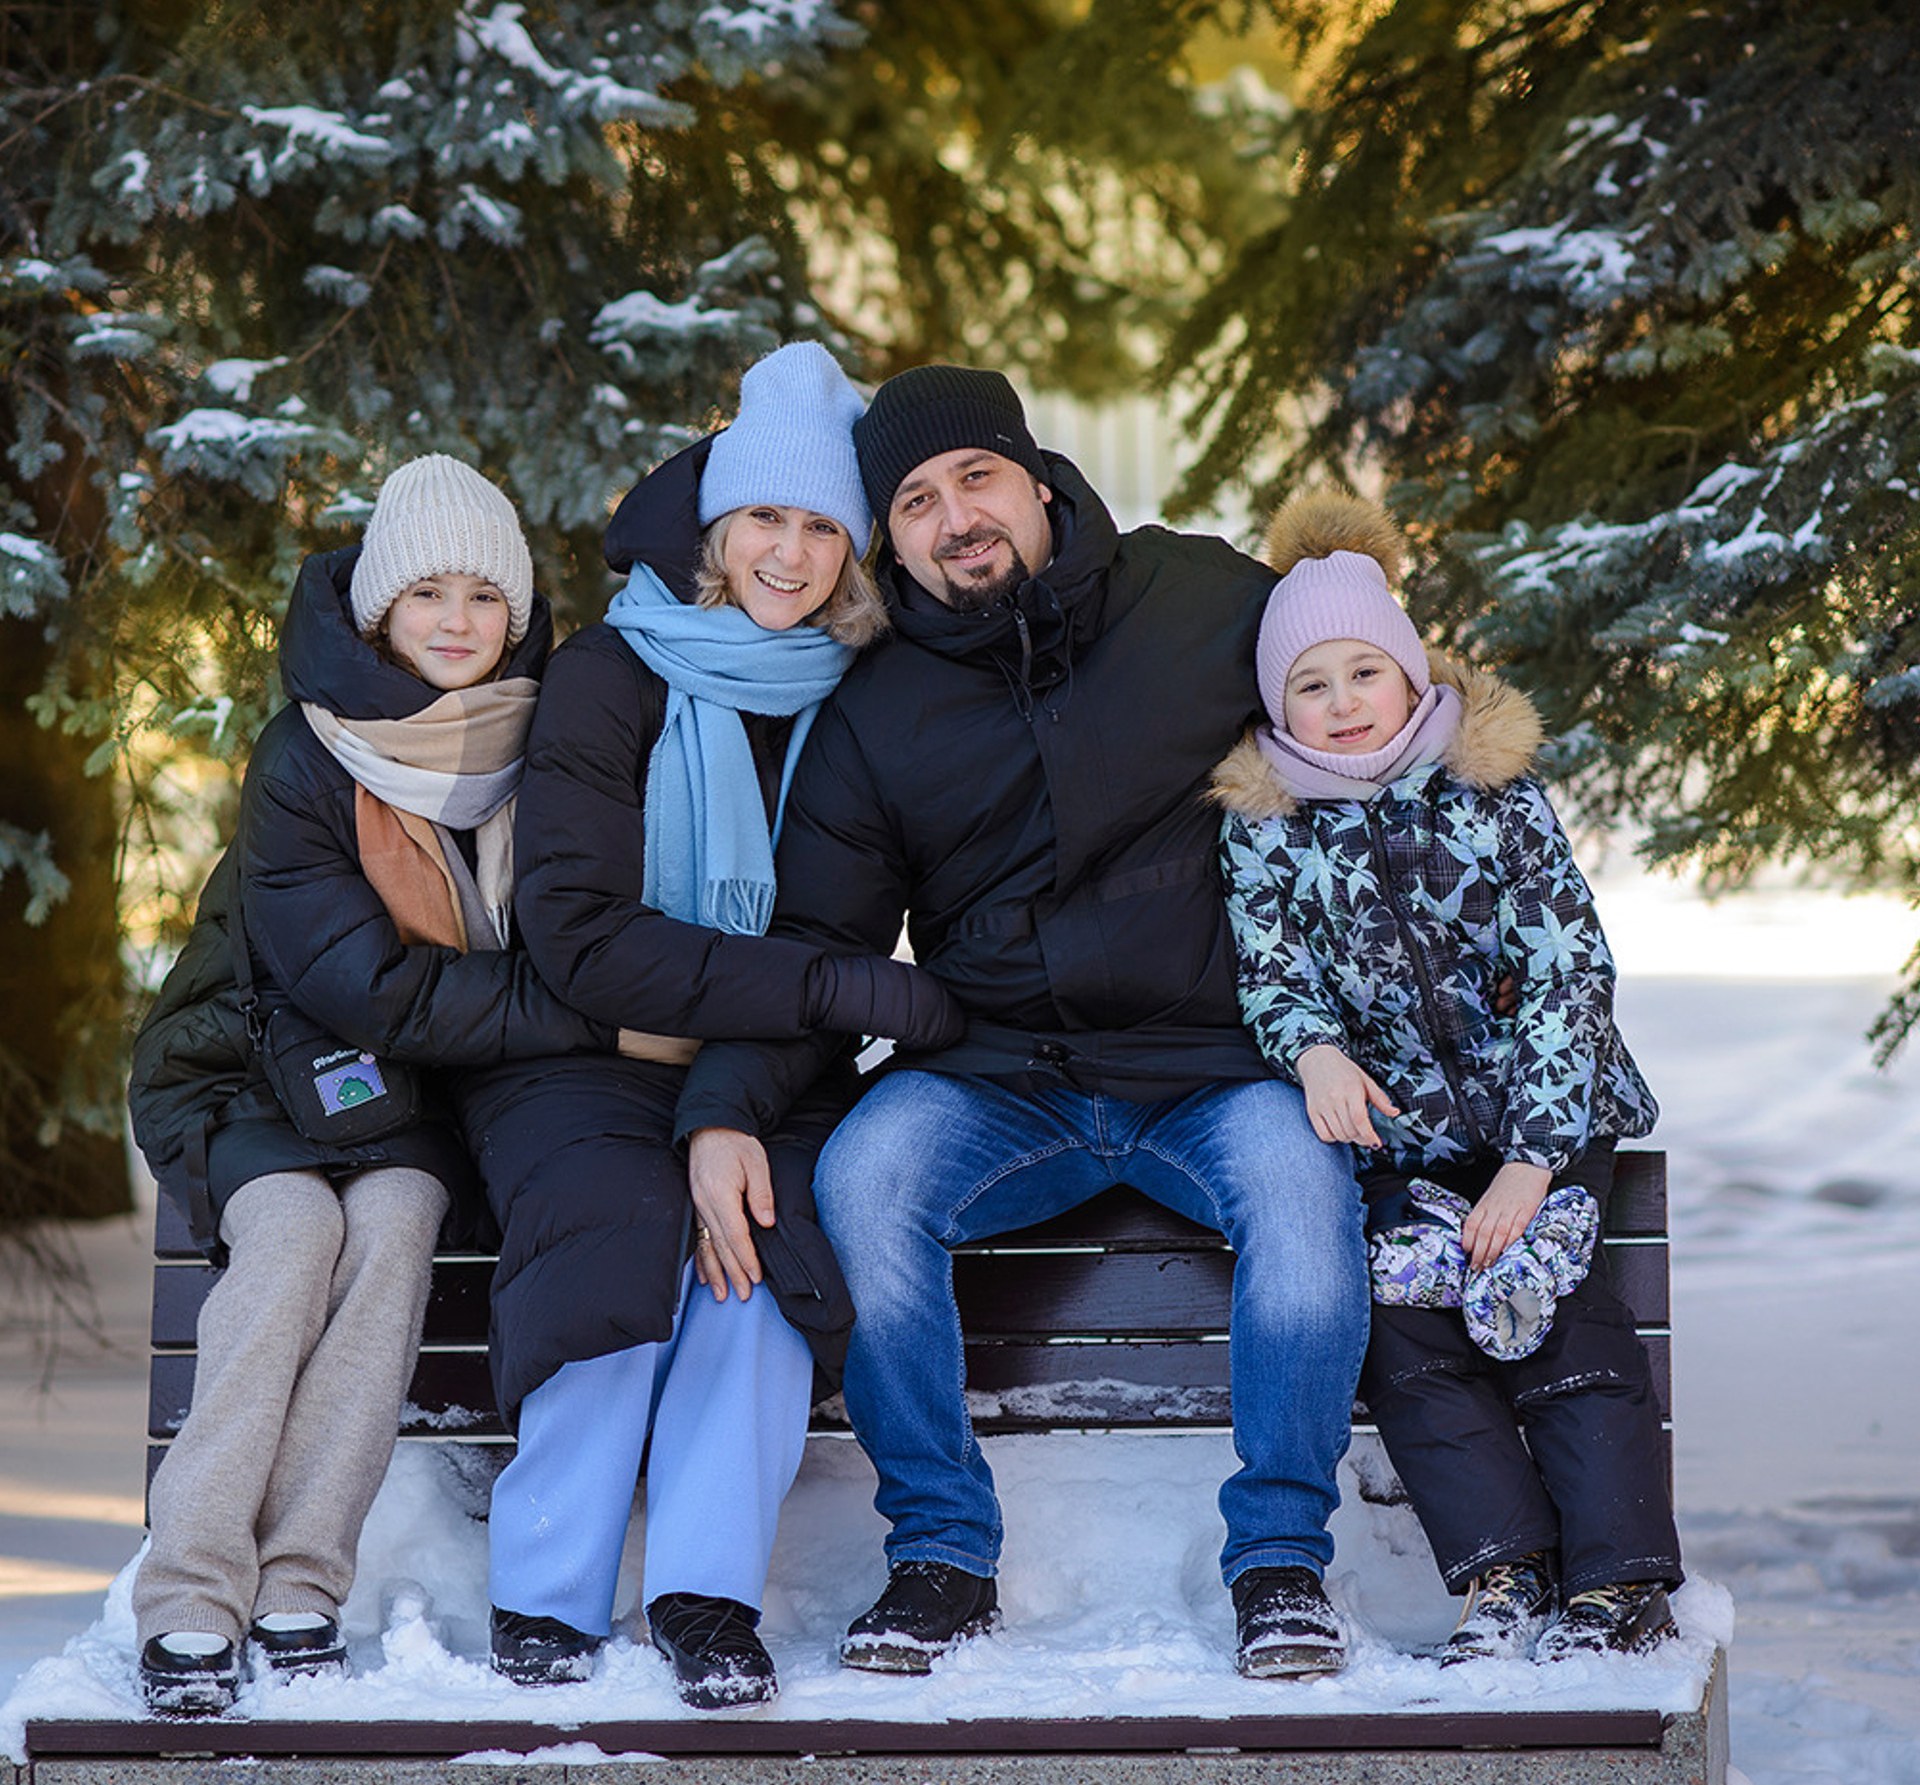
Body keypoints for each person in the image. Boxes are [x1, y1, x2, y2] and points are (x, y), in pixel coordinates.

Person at [674, 364, 1372, 1682]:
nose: (956, 519)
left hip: (1220, 1069)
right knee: (867, 1173)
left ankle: (1280, 1557)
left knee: (1300, 1183)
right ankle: (940, 1551)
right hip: (1002, 1079)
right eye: (917, 503)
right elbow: (815, 949)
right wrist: (721, 1107)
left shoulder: (1205, 603)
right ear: (894, 538)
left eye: (975, 479)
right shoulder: (876, 709)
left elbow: (1370, 707)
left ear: (1036, 477)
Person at [461, 341, 963, 1710]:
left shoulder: (856, 699)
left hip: (762, 1072)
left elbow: (835, 923)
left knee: (754, 1260)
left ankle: (705, 1597)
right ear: (714, 530)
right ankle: (547, 1595)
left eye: (820, 528)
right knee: (617, 1235)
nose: (789, 554)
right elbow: (583, 939)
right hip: (574, 1062)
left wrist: (728, 1097)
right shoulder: (612, 677)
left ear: (854, 553)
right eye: (764, 520)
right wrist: (840, 990)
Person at [126, 455, 614, 1716]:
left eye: (482, 596)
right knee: (290, 1239)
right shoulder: (309, 752)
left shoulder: (552, 735)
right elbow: (362, 984)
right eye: (426, 595)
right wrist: (570, 1013)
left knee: (394, 1231)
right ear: (377, 613)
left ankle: (300, 1581)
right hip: (251, 1066)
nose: (456, 622)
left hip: (414, 1096)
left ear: (517, 611)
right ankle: (188, 1591)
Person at [1211, 487, 1683, 1663]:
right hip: (1402, 1140)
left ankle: (1617, 1581)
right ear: (1279, 704)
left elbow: (1570, 965)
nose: (1341, 704)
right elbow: (1270, 971)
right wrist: (1312, 1049)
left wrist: (1533, 1162)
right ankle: (1506, 1572)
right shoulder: (1267, 821)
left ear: (1409, 671)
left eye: (1363, 672)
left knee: (1549, 1308)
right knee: (1413, 1336)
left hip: (1548, 1112)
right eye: (1308, 685)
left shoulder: (1488, 786)